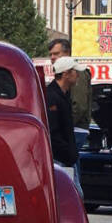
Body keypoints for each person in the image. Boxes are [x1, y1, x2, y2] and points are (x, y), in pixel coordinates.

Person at [48, 38, 92, 176]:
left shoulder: (78, 75)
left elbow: (79, 105)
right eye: (51, 55)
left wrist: (67, 125)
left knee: (71, 174)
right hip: (67, 137)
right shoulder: (55, 93)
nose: (52, 57)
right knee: (71, 175)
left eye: (56, 53)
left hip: (75, 129)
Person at [46, 56, 85, 197]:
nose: (78, 75)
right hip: (59, 159)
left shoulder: (63, 95)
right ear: (66, 74)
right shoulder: (51, 96)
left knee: (75, 196)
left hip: (66, 158)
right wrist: (68, 154)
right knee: (73, 197)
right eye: (75, 71)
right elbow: (52, 132)